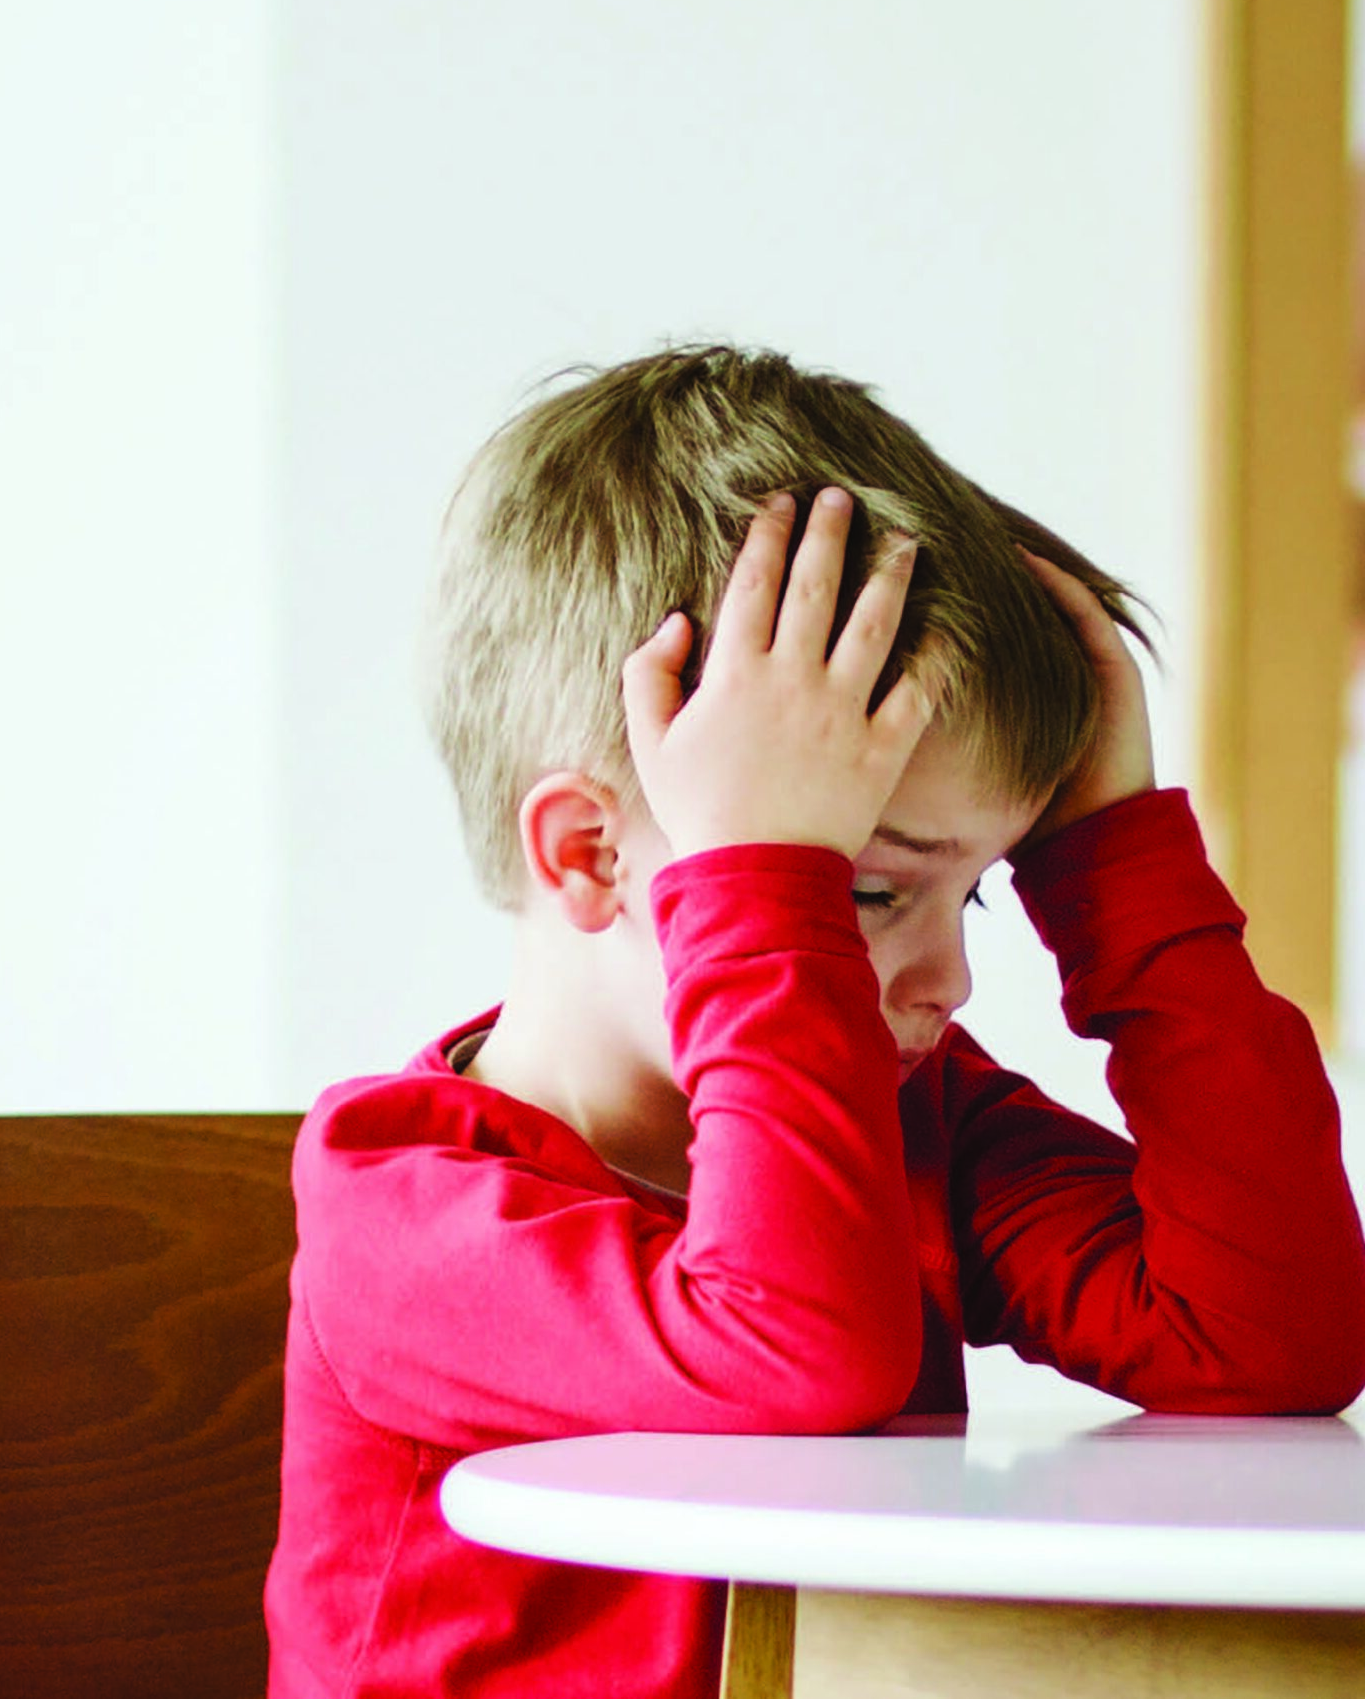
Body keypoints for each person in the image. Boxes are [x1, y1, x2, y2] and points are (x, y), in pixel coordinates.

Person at [261, 344, 1365, 1699]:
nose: (950, 977)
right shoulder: (403, 1203)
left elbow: (1267, 1337)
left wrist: (1117, 868)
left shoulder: (917, 1118)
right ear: (592, 858)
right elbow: (796, 1350)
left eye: (980, 885)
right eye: (871, 885)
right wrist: (764, 893)